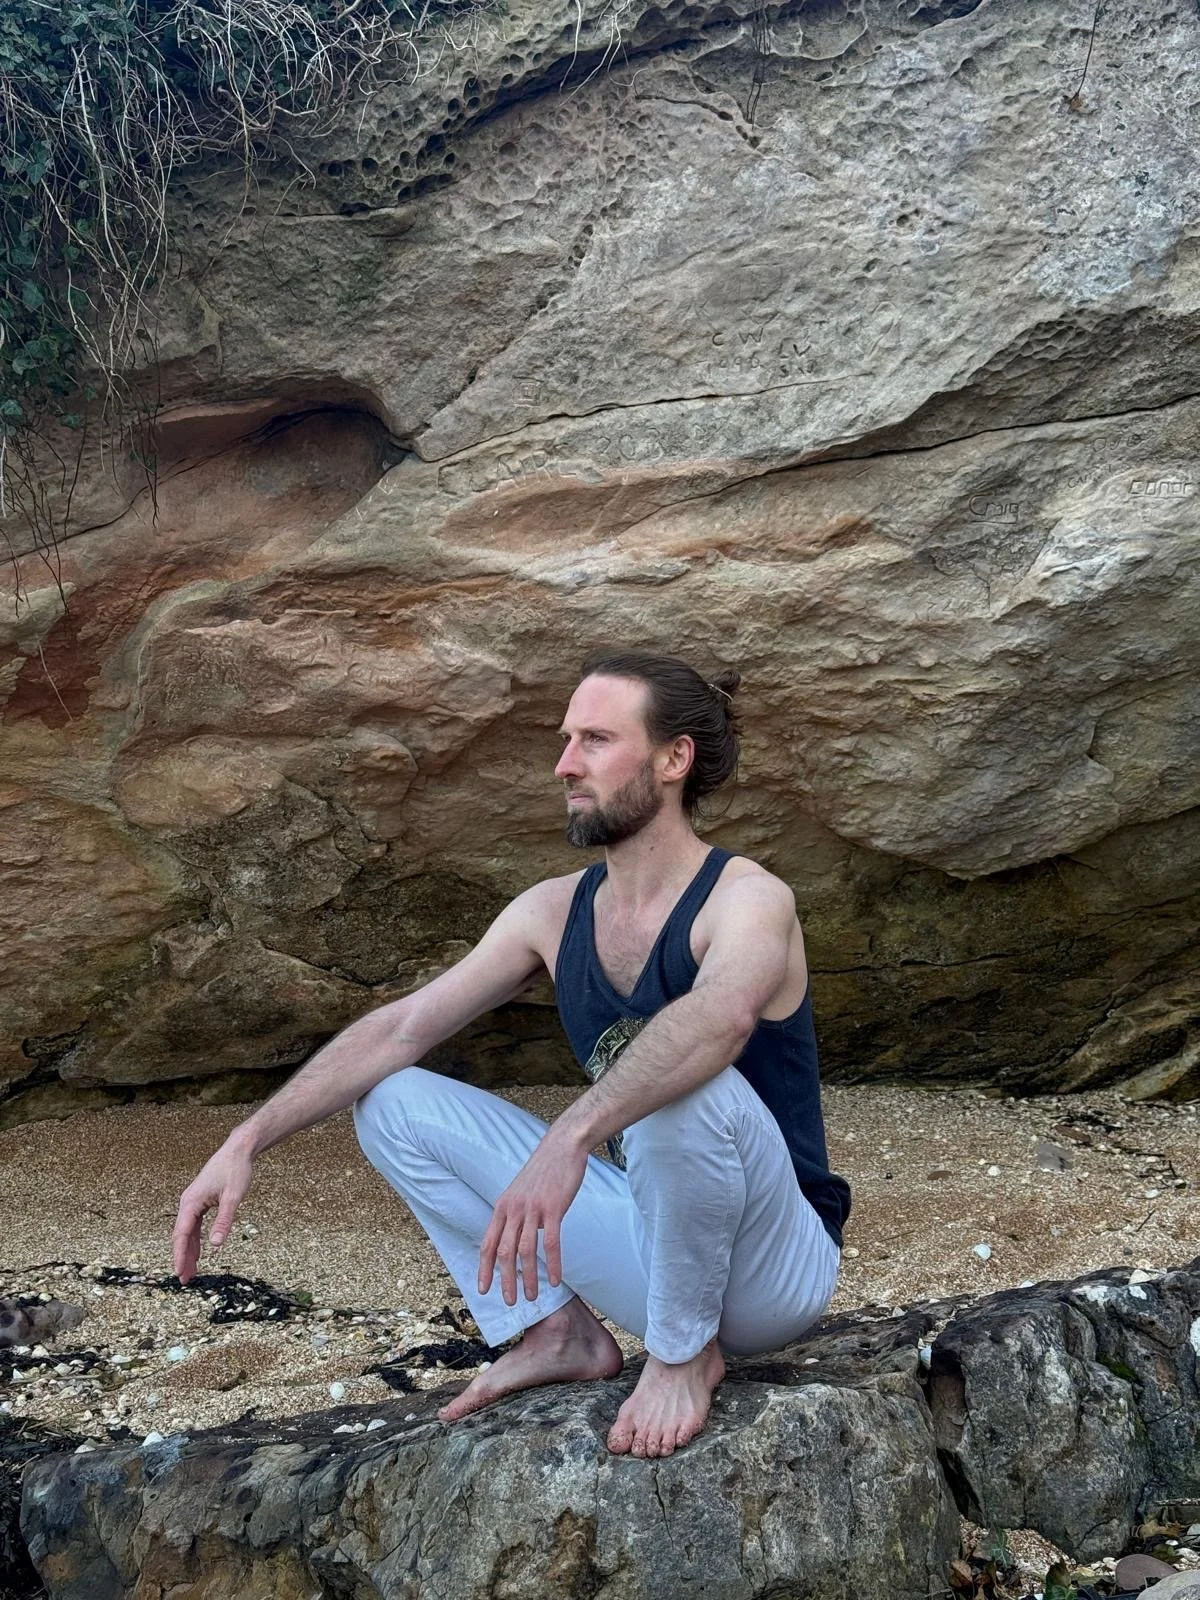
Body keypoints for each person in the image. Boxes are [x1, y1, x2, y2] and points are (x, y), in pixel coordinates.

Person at [172, 649, 851, 1459]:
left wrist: (568, 1139)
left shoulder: (749, 898)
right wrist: (247, 1139)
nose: (566, 764)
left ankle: (680, 1358)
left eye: (596, 740)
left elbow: (722, 1019)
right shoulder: (552, 911)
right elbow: (403, 1029)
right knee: (394, 1102)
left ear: (675, 759)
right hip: (658, 1243)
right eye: (566, 740)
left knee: (683, 1084)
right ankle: (555, 1331)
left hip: (776, 1267)